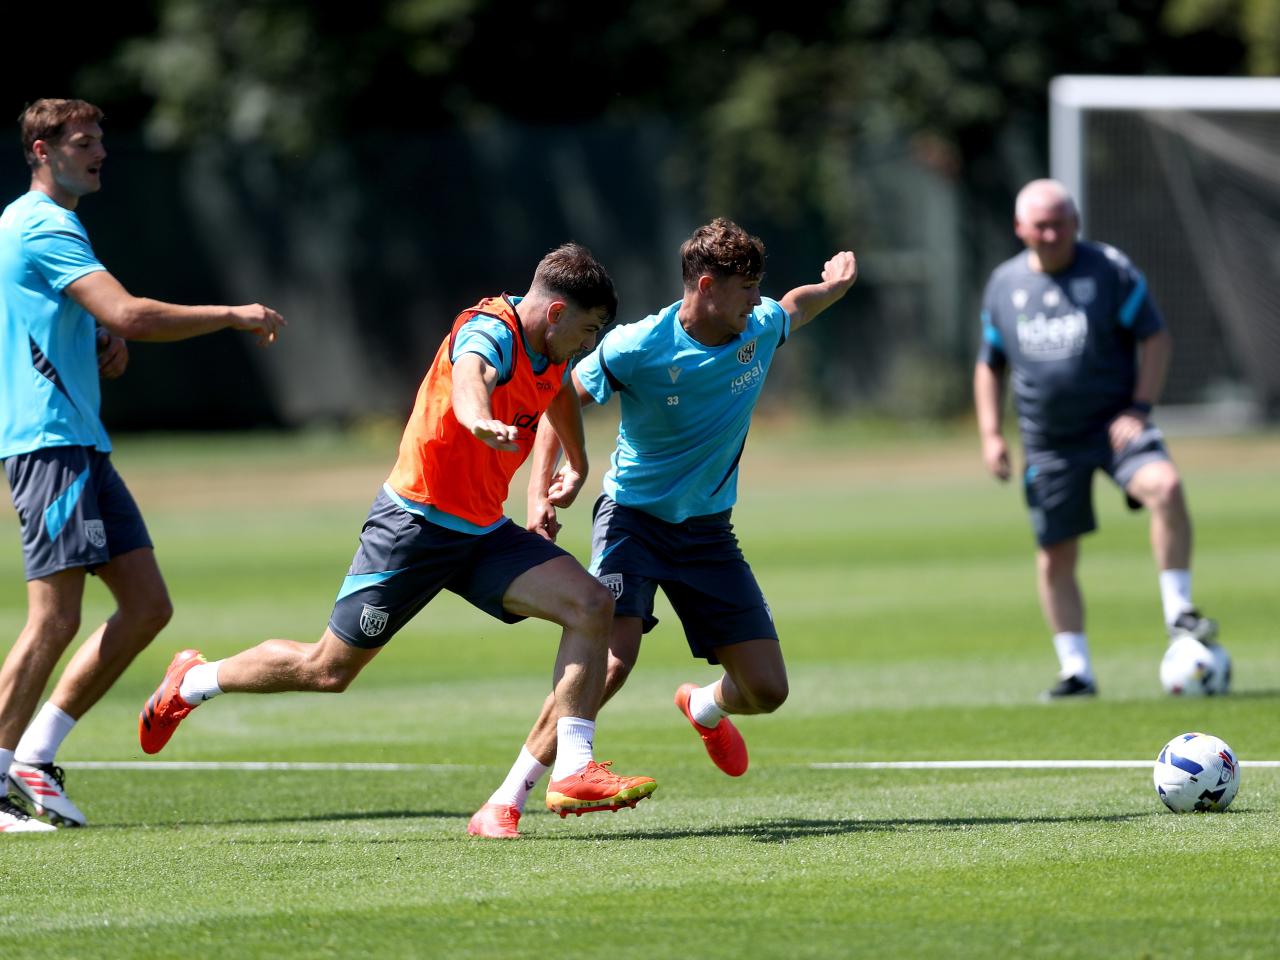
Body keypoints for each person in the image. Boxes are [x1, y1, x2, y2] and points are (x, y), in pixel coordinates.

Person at [137, 243, 658, 820]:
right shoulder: (491, 331)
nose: (588, 346)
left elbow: (558, 389)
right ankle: (194, 680)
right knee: (327, 670)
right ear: (555, 313)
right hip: (413, 526)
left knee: (591, 604)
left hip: (483, 534)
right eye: (587, 331)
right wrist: (478, 419)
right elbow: (470, 376)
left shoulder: (551, 349)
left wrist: (576, 463)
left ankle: (572, 768)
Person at [467, 218, 857, 838]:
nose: (756, 301)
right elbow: (557, 397)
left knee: (766, 690)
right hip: (634, 522)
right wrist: (544, 490)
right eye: (746, 288)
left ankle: (703, 705)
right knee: (612, 659)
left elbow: (794, 306)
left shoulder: (757, 326)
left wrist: (833, 286)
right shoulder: (637, 347)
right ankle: (505, 800)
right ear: (706, 285)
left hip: (708, 533)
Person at [0, 98, 285, 833]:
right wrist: (230, 314)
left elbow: (92, 317)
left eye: (100, 142)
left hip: (82, 442)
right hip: (49, 445)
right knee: (54, 619)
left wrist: (95, 332)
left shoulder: (44, 224)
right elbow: (131, 313)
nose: (99, 153)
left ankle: (36, 755)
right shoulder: (43, 222)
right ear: (42, 150)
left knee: (148, 605)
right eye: (83, 143)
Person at [973, 178, 1218, 699]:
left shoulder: (1110, 269)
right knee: (1055, 554)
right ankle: (1076, 671)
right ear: (1020, 229)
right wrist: (993, 433)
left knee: (1167, 488)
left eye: (1061, 221)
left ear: (1076, 222)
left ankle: (1180, 613)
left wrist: (1139, 407)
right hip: (1049, 442)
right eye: (1041, 223)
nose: (1052, 231)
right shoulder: (1003, 285)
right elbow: (989, 364)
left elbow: (1155, 335)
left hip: (1115, 427)